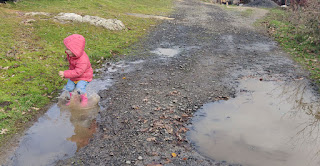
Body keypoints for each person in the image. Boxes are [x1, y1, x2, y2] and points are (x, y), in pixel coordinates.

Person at [59, 34, 93, 107]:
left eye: (68, 49)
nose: (66, 51)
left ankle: (84, 99)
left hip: (83, 76)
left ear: (75, 49)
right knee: (69, 87)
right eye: (66, 48)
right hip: (74, 75)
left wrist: (65, 74)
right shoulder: (73, 55)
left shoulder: (83, 60)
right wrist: (66, 74)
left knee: (80, 88)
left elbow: (78, 72)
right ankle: (74, 99)